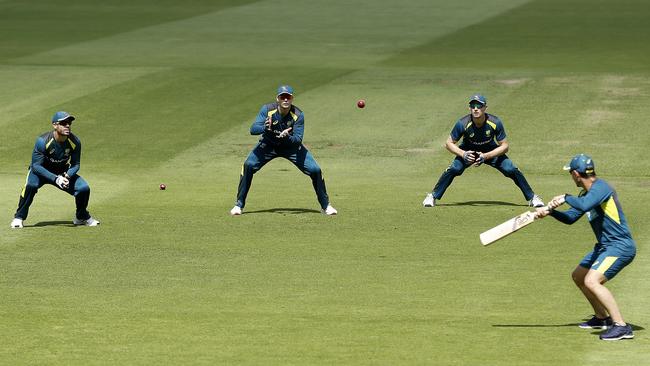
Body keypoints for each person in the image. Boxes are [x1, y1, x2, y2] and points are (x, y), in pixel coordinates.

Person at [536, 154, 635, 341]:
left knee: (592, 281)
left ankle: (621, 326)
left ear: (575, 174)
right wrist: (550, 212)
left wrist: (565, 197)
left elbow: (585, 204)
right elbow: (571, 218)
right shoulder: (585, 195)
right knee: (579, 276)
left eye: (570, 174)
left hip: (620, 246)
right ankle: (602, 318)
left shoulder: (601, 188)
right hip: (604, 247)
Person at [230, 85, 337, 216]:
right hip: (268, 145)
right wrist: (265, 128)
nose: (285, 100)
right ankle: (239, 205)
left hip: (290, 148)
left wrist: (287, 137)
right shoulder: (268, 110)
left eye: (288, 97)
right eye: (283, 97)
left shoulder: (298, 115)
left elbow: (298, 139)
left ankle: (326, 206)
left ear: (292, 99)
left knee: (315, 170)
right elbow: (253, 129)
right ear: (278, 99)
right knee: (248, 165)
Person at [422, 94, 543, 208]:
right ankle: (432, 196)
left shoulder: (495, 122)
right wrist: (463, 154)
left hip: (490, 151)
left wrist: (486, 156)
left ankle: (532, 198)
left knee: (510, 169)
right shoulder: (462, 123)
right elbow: (448, 143)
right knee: (455, 169)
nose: (475, 109)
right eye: (473, 106)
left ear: (485, 107)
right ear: (469, 108)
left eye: (479, 105)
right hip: (468, 151)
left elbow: (505, 146)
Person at [10, 111, 100, 228]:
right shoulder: (43, 141)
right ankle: (19, 217)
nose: (67, 125)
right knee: (30, 186)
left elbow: (76, 164)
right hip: (40, 172)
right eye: (63, 123)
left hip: (61, 173)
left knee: (83, 188)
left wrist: (67, 176)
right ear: (54, 125)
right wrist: (55, 179)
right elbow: (36, 166)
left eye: (69, 123)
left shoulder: (75, 142)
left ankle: (81, 217)